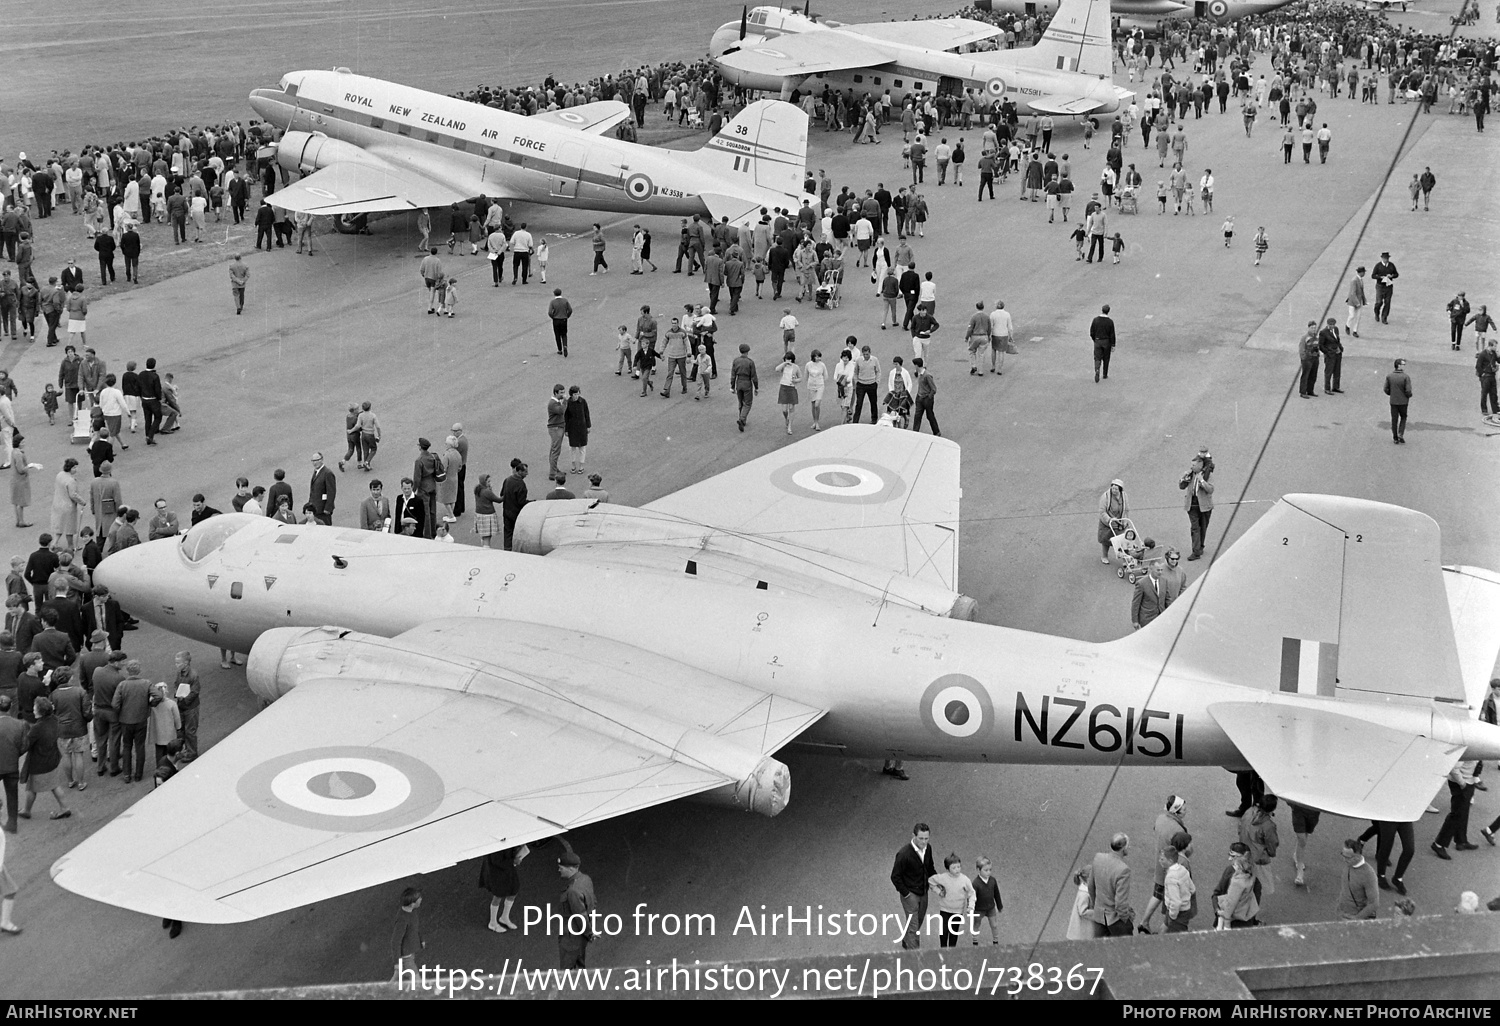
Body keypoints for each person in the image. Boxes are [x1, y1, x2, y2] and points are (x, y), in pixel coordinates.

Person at [890, 822, 937, 949]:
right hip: (910, 894)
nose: (924, 841)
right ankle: (915, 955)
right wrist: (906, 894)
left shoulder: (928, 848)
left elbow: (930, 868)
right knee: (914, 926)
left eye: (926, 838)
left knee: (918, 921)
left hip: (923, 892)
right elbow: (895, 876)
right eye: (921, 838)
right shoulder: (904, 854)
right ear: (913, 836)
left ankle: (906, 940)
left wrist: (938, 882)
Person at [1088, 833, 1135, 936]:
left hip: (1099, 915)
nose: (1129, 847)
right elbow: (1120, 903)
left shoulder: (1098, 858)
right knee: (1125, 948)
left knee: (1100, 948)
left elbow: (1091, 885)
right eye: (1128, 846)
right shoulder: (1123, 870)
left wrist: (1096, 905)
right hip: (1114, 918)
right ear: (1123, 849)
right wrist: (1127, 918)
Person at [557, 850, 597, 969]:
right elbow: (593, 903)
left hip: (571, 937)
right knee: (579, 965)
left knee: (567, 970)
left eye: (561, 868)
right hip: (581, 936)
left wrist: (589, 933)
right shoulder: (585, 879)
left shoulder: (573, 890)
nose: (559, 870)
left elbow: (580, 915)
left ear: (570, 869)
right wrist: (590, 930)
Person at [1432, 759, 1479, 858]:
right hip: (1461, 783)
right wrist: (1462, 784)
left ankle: (1461, 841)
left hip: (1467, 781)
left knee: (1463, 812)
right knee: (1456, 814)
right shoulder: (1468, 749)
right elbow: (1454, 768)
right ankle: (1439, 844)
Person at [927, 853, 974, 948]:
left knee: (954, 932)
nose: (957, 869)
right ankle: (943, 949)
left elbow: (971, 893)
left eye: (959, 867)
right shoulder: (942, 878)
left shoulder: (964, 880)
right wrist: (938, 891)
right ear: (947, 869)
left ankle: (952, 951)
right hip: (945, 910)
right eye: (954, 868)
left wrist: (970, 906)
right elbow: (931, 881)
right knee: (943, 932)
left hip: (957, 911)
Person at [481, 844, 528, 932]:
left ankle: (504, 917)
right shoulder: (495, 846)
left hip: (507, 868)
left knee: (514, 890)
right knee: (499, 894)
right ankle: (492, 922)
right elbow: (496, 861)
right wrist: (513, 861)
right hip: (497, 871)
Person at [1179, 448, 1214, 561]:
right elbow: (1181, 486)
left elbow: (1210, 489)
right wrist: (1183, 479)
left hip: (1204, 505)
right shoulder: (1190, 474)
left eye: (1193, 465)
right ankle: (1196, 552)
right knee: (1195, 528)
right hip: (1192, 504)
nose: (1191, 467)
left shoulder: (1208, 475)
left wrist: (1202, 481)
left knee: (1203, 527)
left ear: (1200, 466)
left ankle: (1200, 546)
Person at [1336, 838, 1379, 920]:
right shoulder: (1349, 865)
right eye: (1343, 855)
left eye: (1347, 857)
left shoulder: (1368, 874)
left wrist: (1356, 919)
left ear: (1357, 856)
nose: (1344, 860)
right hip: (1342, 913)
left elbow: (1374, 903)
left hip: (1354, 917)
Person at [391, 887, 425, 982]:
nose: (421, 899)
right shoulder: (402, 919)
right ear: (412, 903)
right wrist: (397, 963)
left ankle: (382, 992)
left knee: (400, 978)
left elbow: (415, 927)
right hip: (405, 957)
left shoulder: (412, 912)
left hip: (409, 953)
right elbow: (395, 941)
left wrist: (421, 939)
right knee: (417, 981)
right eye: (419, 898)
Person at [500, 459, 529, 551]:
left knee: (507, 532)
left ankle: (507, 549)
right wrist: (531, 502)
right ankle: (517, 551)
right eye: (525, 472)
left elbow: (502, 495)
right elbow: (521, 502)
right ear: (519, 471)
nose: (527, 474)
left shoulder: (507, 480)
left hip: (506, 510)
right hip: (516, 513)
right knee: (518, 532)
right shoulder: (521, 485)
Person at [1098, 479, 1128, 564]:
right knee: (1106, 541)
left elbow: (1126, 509)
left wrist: (1126, 520)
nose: (1113, 490)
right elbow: (1102, 511)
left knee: (1123, 541)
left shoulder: (1124, 496)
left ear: (1120, 489)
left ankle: (1125, 559)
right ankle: (1104, 556)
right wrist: (1109, 519)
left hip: (1120, 523)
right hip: (1108, 523)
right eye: (1113, 488)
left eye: (1116, 489)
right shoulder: (1105, 496)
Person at [1067, 867, 1101, 939]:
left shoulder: (1087, 892)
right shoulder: (1084, 894)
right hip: (1081, 931)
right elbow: (1083, 911)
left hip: (1083, 930)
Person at [730, 343, 758, 432]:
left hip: (739, 382)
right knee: (748, 403)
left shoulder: (736, 361)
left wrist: (732, 386)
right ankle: (742, 418)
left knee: (740, 401)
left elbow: (733, 375)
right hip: (747, 383)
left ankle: (742, 419)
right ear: (747, 352)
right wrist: (756, 387)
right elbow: (754, 376)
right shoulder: (750, 362)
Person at [1384, 358, 1412, 444]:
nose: (1404, 366)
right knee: (1403, 417)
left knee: (1394, 419)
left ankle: (1395, 437)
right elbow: (1408, 390)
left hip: (1393, 401)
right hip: (1403, 402)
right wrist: (1408, 395)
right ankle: (1400, 433)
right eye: (1403, 364)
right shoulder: (1405, 377)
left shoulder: (1389, 376)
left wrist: (1392, 394)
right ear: (1399, 365)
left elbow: (1386, 389)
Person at [308, 452, 337, 524]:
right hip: (315, 509)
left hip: (323, 510)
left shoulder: (328, 473)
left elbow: (331, 492)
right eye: (313, 461)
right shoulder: (316, 472)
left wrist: (328, 508)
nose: (315, 463)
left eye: (317, 460)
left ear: (322, 460)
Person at [1091, 304, 1116, 383]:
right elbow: (1112, 334)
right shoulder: (1110, 322)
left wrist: (1095, 339)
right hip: (1106, 342)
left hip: (1097, 341)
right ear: (1108, 311)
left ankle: (1097, 369)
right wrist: (1113, 344)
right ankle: (1105, 374)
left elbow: (1092, 332)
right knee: (1106, 358)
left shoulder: (1095, 320)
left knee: (1097, 357)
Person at [1372, 252, 1398, 324]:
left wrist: (1392, 276)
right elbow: (1373, 275)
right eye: (1384, 258)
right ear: (1382, 258)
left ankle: (1384, 317)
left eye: (1387, 258)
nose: (1386, 260)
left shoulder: (1391, 265)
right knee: (1379, 302)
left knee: (1387, 302)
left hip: (1388, 286)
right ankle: (1376, 312)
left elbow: (1396, 274)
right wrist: (1380, 277)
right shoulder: (1378, 266)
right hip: (1380, 286)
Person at [547, 288, 572, 357]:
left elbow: (549, 312)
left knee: (557, 335)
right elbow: (570, 310)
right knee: (564, 334)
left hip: (556, 320)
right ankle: (565, 345)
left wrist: (553, 317)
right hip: (564, 319)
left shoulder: (553, 302)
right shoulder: (565, 301)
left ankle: (560, 349)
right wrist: (567, 316)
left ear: (554, 294)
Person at [1479, 340, 1499, 417]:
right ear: (1490, 346)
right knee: (1484, 393)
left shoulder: (1494, 354)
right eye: (1495, 346)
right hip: (1486, 376)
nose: (1496, 347)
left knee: (1494, 393)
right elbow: (1478, 365)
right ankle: (1484, 409)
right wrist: (1482, 374)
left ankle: (1495, 409)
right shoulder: (1483, 354)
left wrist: (1498, 355)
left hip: (1492, 375)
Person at [1345, 267, 1367, 337]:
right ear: (1360, 273)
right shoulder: (1354, 280)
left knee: (1358, 317)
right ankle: (1347, 325)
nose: (1364, 273)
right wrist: (1357, 303)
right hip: (1352, 301)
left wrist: (1364, 300)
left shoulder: (1360, 280)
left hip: (1359, 301)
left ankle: (1355, 331)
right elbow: (1353, 293)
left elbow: (1361, 292)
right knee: (1352, 315)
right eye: (1363, 272)